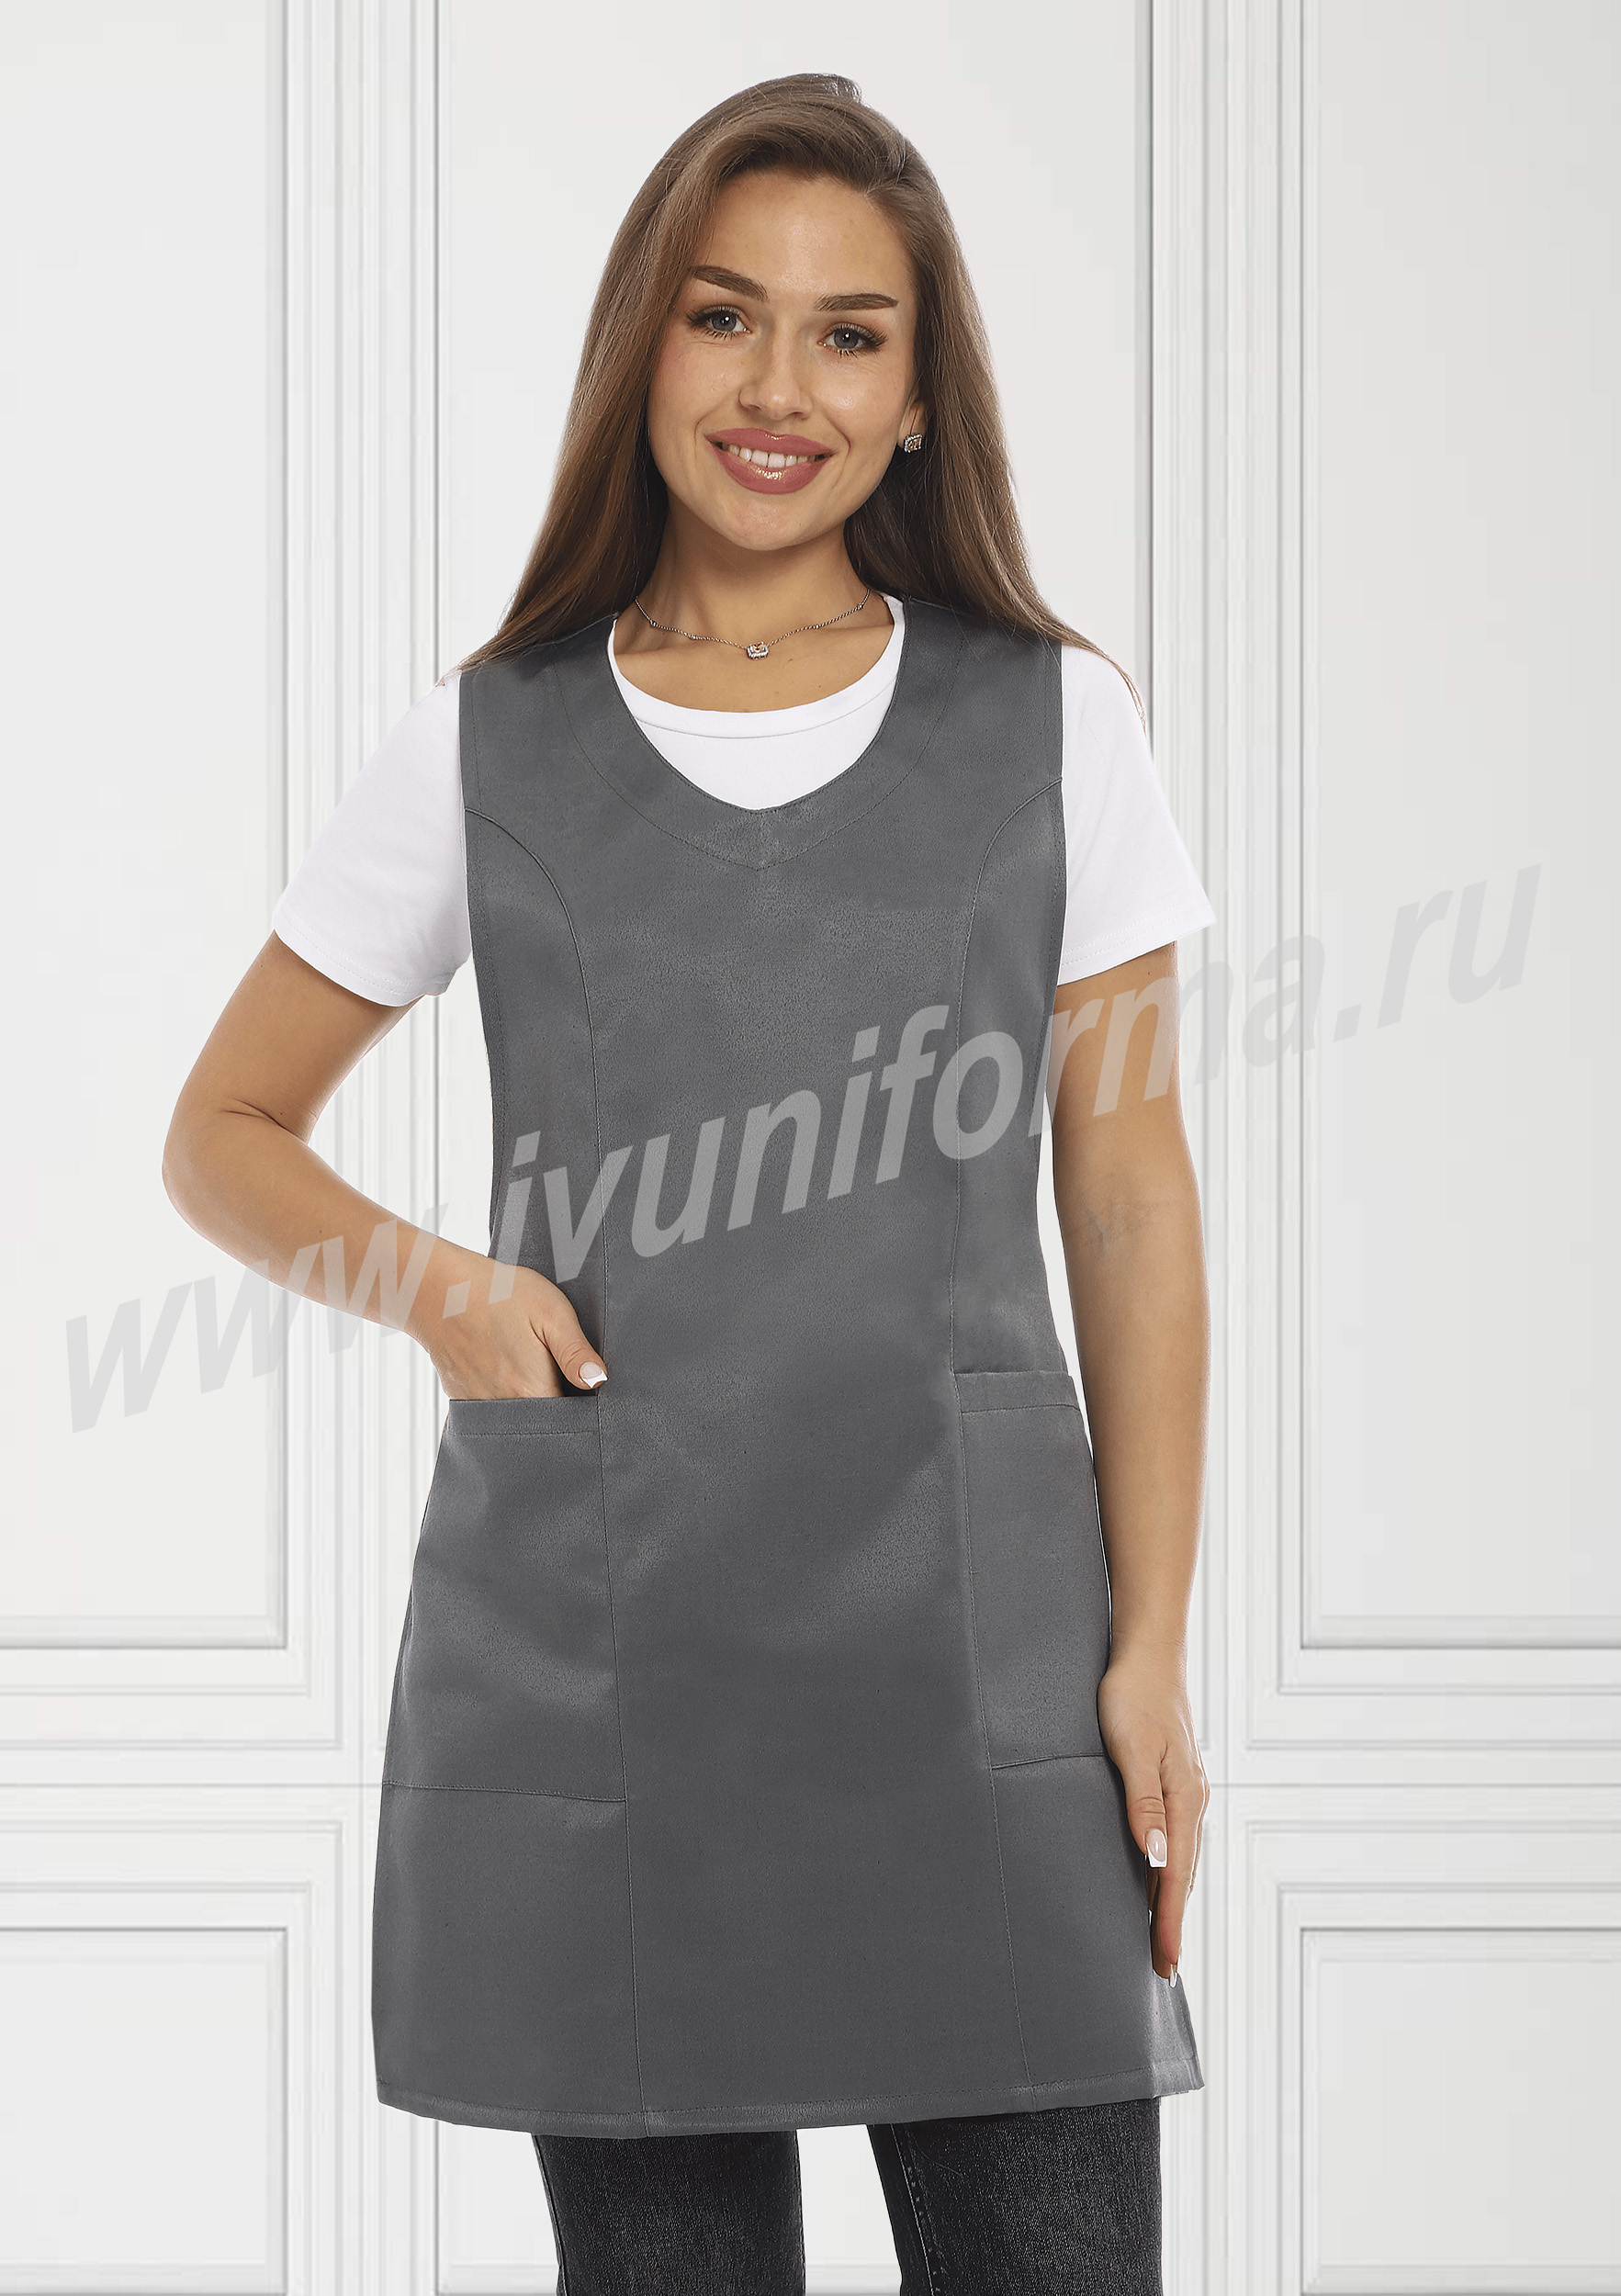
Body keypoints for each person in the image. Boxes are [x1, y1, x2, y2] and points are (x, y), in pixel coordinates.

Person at [163, 71, 1213, 2296]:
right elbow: (222, 1131)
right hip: (612, 1674)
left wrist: (1149, 1644)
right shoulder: (487, 741)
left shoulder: (1055, 724)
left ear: (918, 400)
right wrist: (436, 1286)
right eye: (725, 315)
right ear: (642, 345)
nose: (777, 387)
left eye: (849, 334)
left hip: (982, 1675)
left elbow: (1127, 1197)